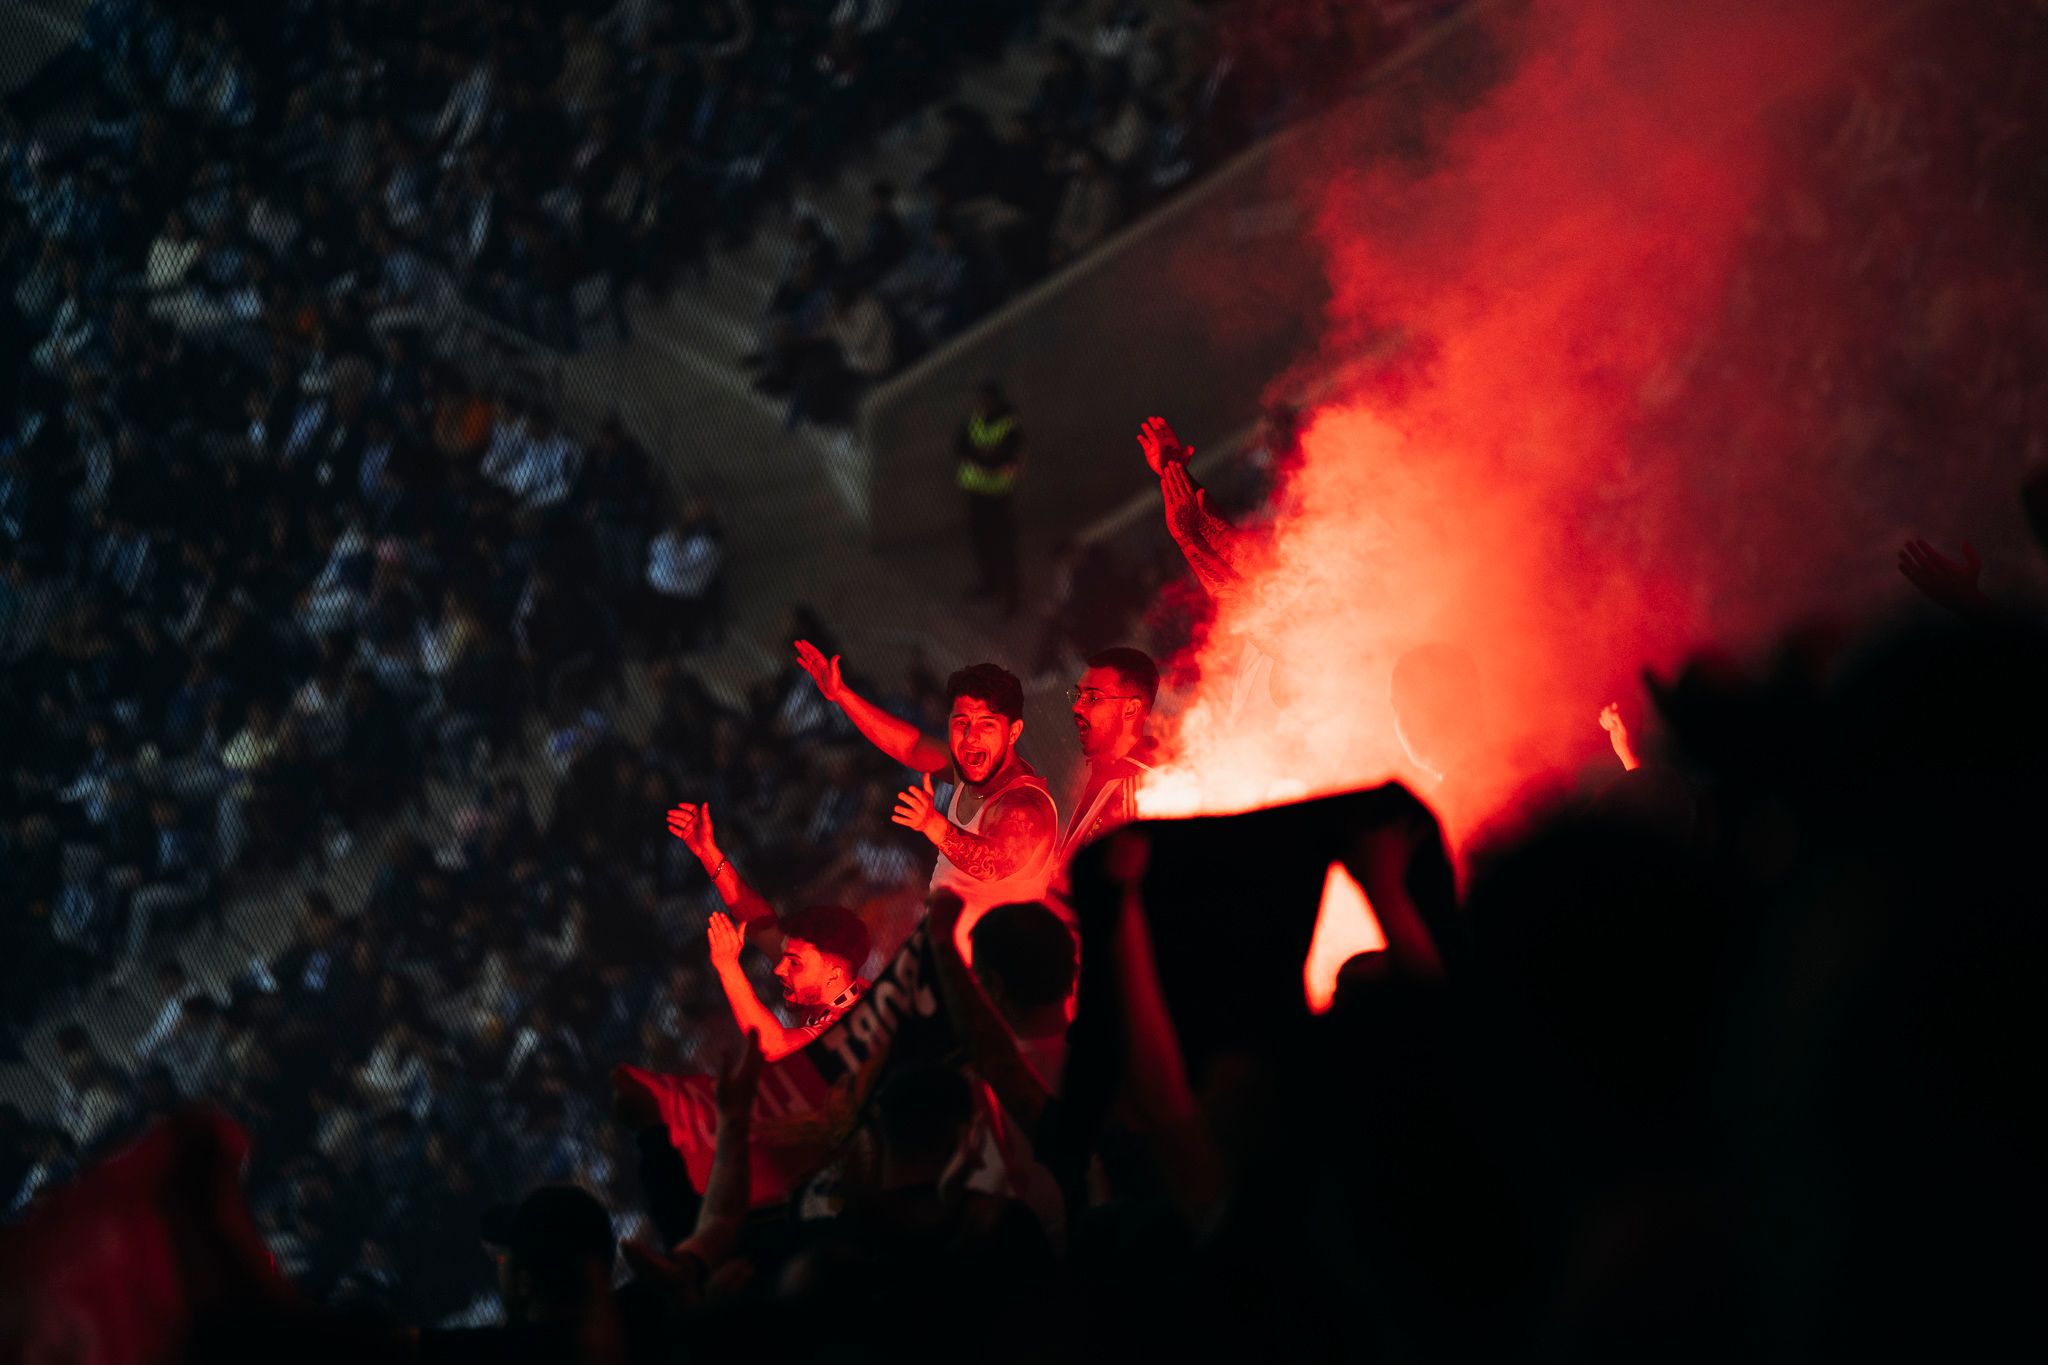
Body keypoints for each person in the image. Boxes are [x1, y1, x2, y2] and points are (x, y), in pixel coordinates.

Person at [792, 643, 1058, 956]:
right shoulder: (972, 771)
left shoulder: (1025, 805)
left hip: (1002, 963)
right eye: (962, 723)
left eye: (986, 725)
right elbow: (909, 746)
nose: (970, 738)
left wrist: (934, 825)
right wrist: (842, 696)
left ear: (1013, 733)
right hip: (957, 951)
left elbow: (992, 865)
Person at [669, 806, 874, 1064]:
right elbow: (759, 923)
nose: (779, 968)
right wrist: (707, 852)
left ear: (834, 972)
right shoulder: (827, 988)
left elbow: (772, 1046)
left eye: (794, 962)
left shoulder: (852, 1020)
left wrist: (728, 968)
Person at [1058, 647, 1160, 868]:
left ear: (1131, 709)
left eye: (1093, 697)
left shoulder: (1141, 791)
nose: (1076, 706)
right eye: (1078, 695)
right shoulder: (1106, 771)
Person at [956, 380, 1025, 617]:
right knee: (982, 542)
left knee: (1004, 546)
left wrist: (982, 459)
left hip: (998, 495)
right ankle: (989, 584)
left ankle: (1012, 597)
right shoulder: (976, 420)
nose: (981, 404)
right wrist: (984, 458)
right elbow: (960, 446)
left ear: (995, 401)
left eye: (985, 400)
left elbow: (1004, 459)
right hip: (976, 493)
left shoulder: (1009, 425)